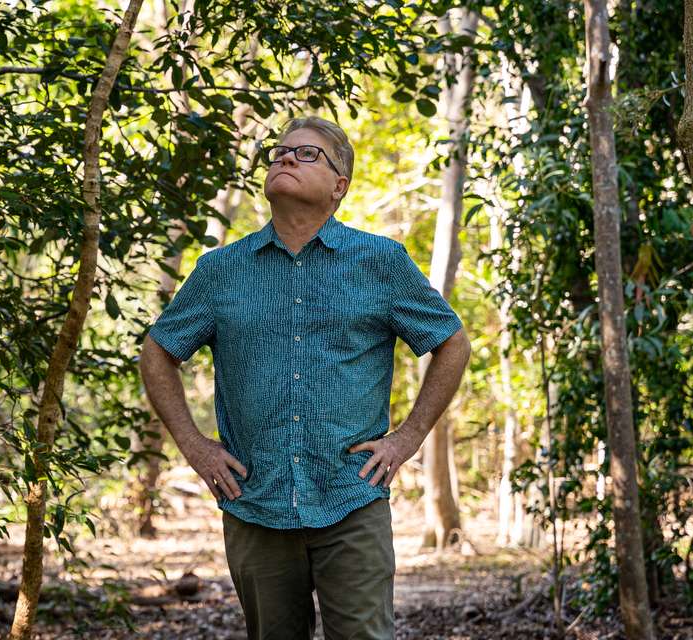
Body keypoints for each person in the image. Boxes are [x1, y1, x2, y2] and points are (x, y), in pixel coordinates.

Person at [138, 115, 471, 640]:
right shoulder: (220, 270)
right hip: (255, 504)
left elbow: (451, 341)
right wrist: (195, 446)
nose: (286, 158)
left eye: (307, 153)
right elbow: (158, 352)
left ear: (340, 186)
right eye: (280, 152)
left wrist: (407, 439)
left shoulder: (380, 261)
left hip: (350, 498)